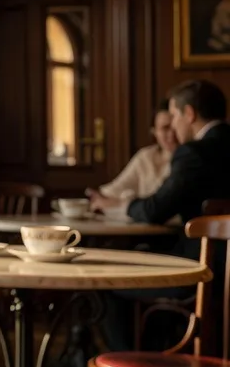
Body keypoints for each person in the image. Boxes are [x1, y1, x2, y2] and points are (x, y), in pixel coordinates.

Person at [89, 80, 230, 351]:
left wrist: (116, 205)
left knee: (106, 282)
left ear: (189, 114)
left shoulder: (193, 153)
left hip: (203, 270)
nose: (174, 127)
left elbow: (155, 210)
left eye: (175, 116)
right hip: (221, 268)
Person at [91, 101, 178, 201]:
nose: (172, 135)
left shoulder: (187, 159)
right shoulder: (146, 156)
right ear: (154, 132)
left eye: (175, 128)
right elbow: (118, 187)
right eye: (165, 128)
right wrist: (99, 195)